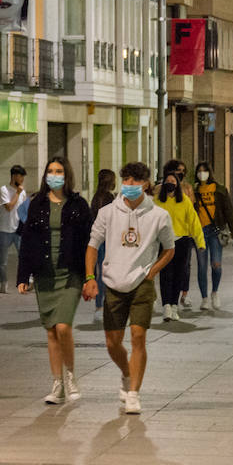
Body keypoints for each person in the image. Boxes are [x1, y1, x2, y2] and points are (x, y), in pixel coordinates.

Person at [83, 162, 175, 415]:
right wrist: (90, 276)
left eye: (136, 181)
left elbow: (170, 249)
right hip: (113, 283)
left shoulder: (159, 216)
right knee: (112, 343)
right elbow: (92, 245)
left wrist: (152, 272)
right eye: (127, 180)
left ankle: (133, 392)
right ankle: (126, 373)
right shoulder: (107, 212)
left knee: (138, 337)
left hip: (142, 284)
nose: (130, 185)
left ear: (146, 184)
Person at [17, 157, 92, 404]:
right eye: (50, 171)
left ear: (66, 174)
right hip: (44, 274)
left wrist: (90, 277)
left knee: (63, 327)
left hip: (70, 273)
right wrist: (22, 276)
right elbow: (27, 241)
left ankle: (70, 376)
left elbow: (89, 242)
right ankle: (56, 383)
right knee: (51, 330)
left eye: (59, 171)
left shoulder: (78, 204)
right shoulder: (36, 203)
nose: (54, 175)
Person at [155, 171, 205, 322]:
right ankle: (166, 307)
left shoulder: (184, 201)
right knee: (165, 275)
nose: (170, 183)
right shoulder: (158, 202)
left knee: (178, 274)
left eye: (173, 181)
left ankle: (174, 306)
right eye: (168, 181)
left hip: (182, 242)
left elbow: (194, 222)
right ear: (164, 184)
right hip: (164, 243)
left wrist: (200, 242)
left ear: (177, 184)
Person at [192, 162, 233, 310]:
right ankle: (204, 298)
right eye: (199, 171)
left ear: (209, 172)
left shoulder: (219, 190)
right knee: (201, 267)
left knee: (216, 265)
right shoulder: (194, 190)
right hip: (200, 232)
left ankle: (215, 292)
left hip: (216, 231)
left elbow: (228, 212)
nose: (202, 173)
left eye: (204, 170)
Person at [162, 159, 197, 307]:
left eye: (183, 171)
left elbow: (192, 209)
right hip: (166, 234)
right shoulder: (161, 189)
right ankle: (167, 300)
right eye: (178, 171)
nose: (181, 174)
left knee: (185, 266)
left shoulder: (187, 188)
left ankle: (184, 294)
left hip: (184, 234)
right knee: (167, 267)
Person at [89, 168, 117, 322]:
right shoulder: (109, 197)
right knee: (107, 274)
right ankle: (104, 306)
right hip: (107, 239)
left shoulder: (95, 197)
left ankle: (99, 307)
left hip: (96, 239)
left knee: (100, 272)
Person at [0, 165, 29, 293]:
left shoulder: (23, 192)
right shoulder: (4, 190)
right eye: (20, 176)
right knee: (3, 260)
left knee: (24, 257)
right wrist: (17, 193)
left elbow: (24, 210)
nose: (22, 180)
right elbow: (9, 207)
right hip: (5, 229)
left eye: (22, 177)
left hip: (19, 230)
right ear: (14, 176)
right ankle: (4, 282)